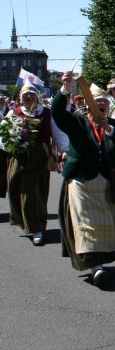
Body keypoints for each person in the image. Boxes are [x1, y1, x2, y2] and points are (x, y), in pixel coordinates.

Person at [52, 74, 115, 287]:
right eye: (97, 102)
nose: (101, 105)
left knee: (106, 224)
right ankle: (96, 268)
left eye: (105, 102)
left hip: (106, 180)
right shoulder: (76, 121)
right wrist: (65, 88)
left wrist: (109, 128)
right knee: (86, 224)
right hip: (80, 179)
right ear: (88, 106)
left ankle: (102, 261)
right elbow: (57, 113)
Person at [1, 80, 68, 246]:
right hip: (18, 156)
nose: (29, 97)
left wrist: (64, 150)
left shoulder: (46, 113)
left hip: (39, 156)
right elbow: (2, 135)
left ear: (37, 97)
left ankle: (37, 227)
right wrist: (10, 143)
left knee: (34, 191)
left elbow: (57, 133)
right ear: (21, 98)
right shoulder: (14, 113)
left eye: (32, 94)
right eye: (26, 95)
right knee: (17, 186)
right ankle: (24, 221)